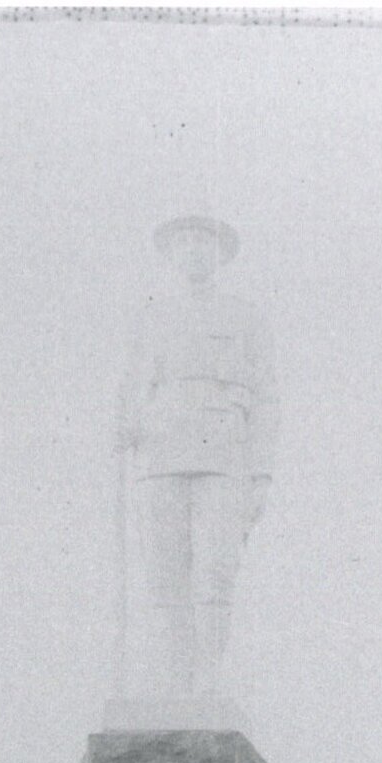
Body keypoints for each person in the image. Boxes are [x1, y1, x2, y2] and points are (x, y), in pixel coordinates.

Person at [115, 216, 279, 708]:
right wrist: (126, 422)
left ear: (219, 254)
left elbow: (267, 400)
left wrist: (260, 474)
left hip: (223, 455)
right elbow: (132, 387)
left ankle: (206, 681)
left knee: (214, 573)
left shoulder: (243, 317)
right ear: (171, 255)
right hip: (160, 453)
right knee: (164, 576)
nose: (194, 252)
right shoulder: (152, 318)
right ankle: (174, 683)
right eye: (184, 243)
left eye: (203, 243)